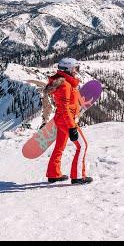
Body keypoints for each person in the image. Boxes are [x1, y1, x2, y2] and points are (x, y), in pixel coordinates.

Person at [43, 57, 93, 185]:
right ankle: (77, 176)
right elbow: (64, 107)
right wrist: (72, 127)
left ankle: (53, 174)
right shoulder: (65, 84)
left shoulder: (65, 82)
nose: (76, 71)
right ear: (68, 69)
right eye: (75, 68)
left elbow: (69, 104)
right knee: (82, 146)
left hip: (61, 119)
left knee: (60, 146)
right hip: (66, 120)